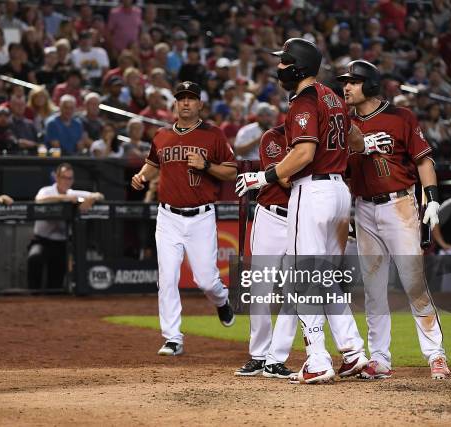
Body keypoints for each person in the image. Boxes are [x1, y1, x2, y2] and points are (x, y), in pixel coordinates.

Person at [236, 39, 373, 384]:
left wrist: (262, 176)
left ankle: (316, 357)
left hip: (312, 191)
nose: (279, 68)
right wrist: (367, 145)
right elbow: (355, 139)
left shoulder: (304, 101)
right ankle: (354, 351)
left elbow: (303, 154)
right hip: (340, 192)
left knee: (302, 277)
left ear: (297, 67)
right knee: (324, 279)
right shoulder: (332, 95)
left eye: (283, 62)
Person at [338, 60, 450, 379]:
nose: (346, 87)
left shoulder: (400, 117)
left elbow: (424, 160)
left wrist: (432, 198)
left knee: (414, 282)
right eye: (345, 81)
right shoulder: (343, 124)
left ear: (370, 85)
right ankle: (380, 359)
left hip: (398, 203)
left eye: (354, 82)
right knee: (373, 288)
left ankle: (436, 355)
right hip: (363, 207)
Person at [131, 81, 237, 356]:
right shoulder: (162, 135)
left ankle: (222, 299)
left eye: (191, 98)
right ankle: (173, 337)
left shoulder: (212, 135)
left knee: (206, 281)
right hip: (168, 217)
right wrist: (142, 176)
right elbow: (153, 164)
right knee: (167, 278)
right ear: (175, 104)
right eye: (181, 99)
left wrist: (207, 166)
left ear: (200, 104)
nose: (185, 103)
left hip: (201, 217)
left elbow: (231, 171)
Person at [234, 124, 297, 379]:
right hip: (270, 215)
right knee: (260, 287)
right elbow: (283, 177)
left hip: (300, 217)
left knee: (295, 289)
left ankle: (276, 358)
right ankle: (259, 355)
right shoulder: (273, 137)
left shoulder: (318, 140)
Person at [27, 163, 104, 290]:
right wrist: (65, 198)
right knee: (34, 258)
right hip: (41, 240)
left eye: (70, 178)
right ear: (56, 178)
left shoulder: (73, 193)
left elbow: (99, 195)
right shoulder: (47, 190)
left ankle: (53, 299)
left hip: (61, 243)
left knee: (56, 281)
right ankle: (33, 294)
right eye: (64, 177)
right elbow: (39, 200)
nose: (67, 181)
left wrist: (91, 199)